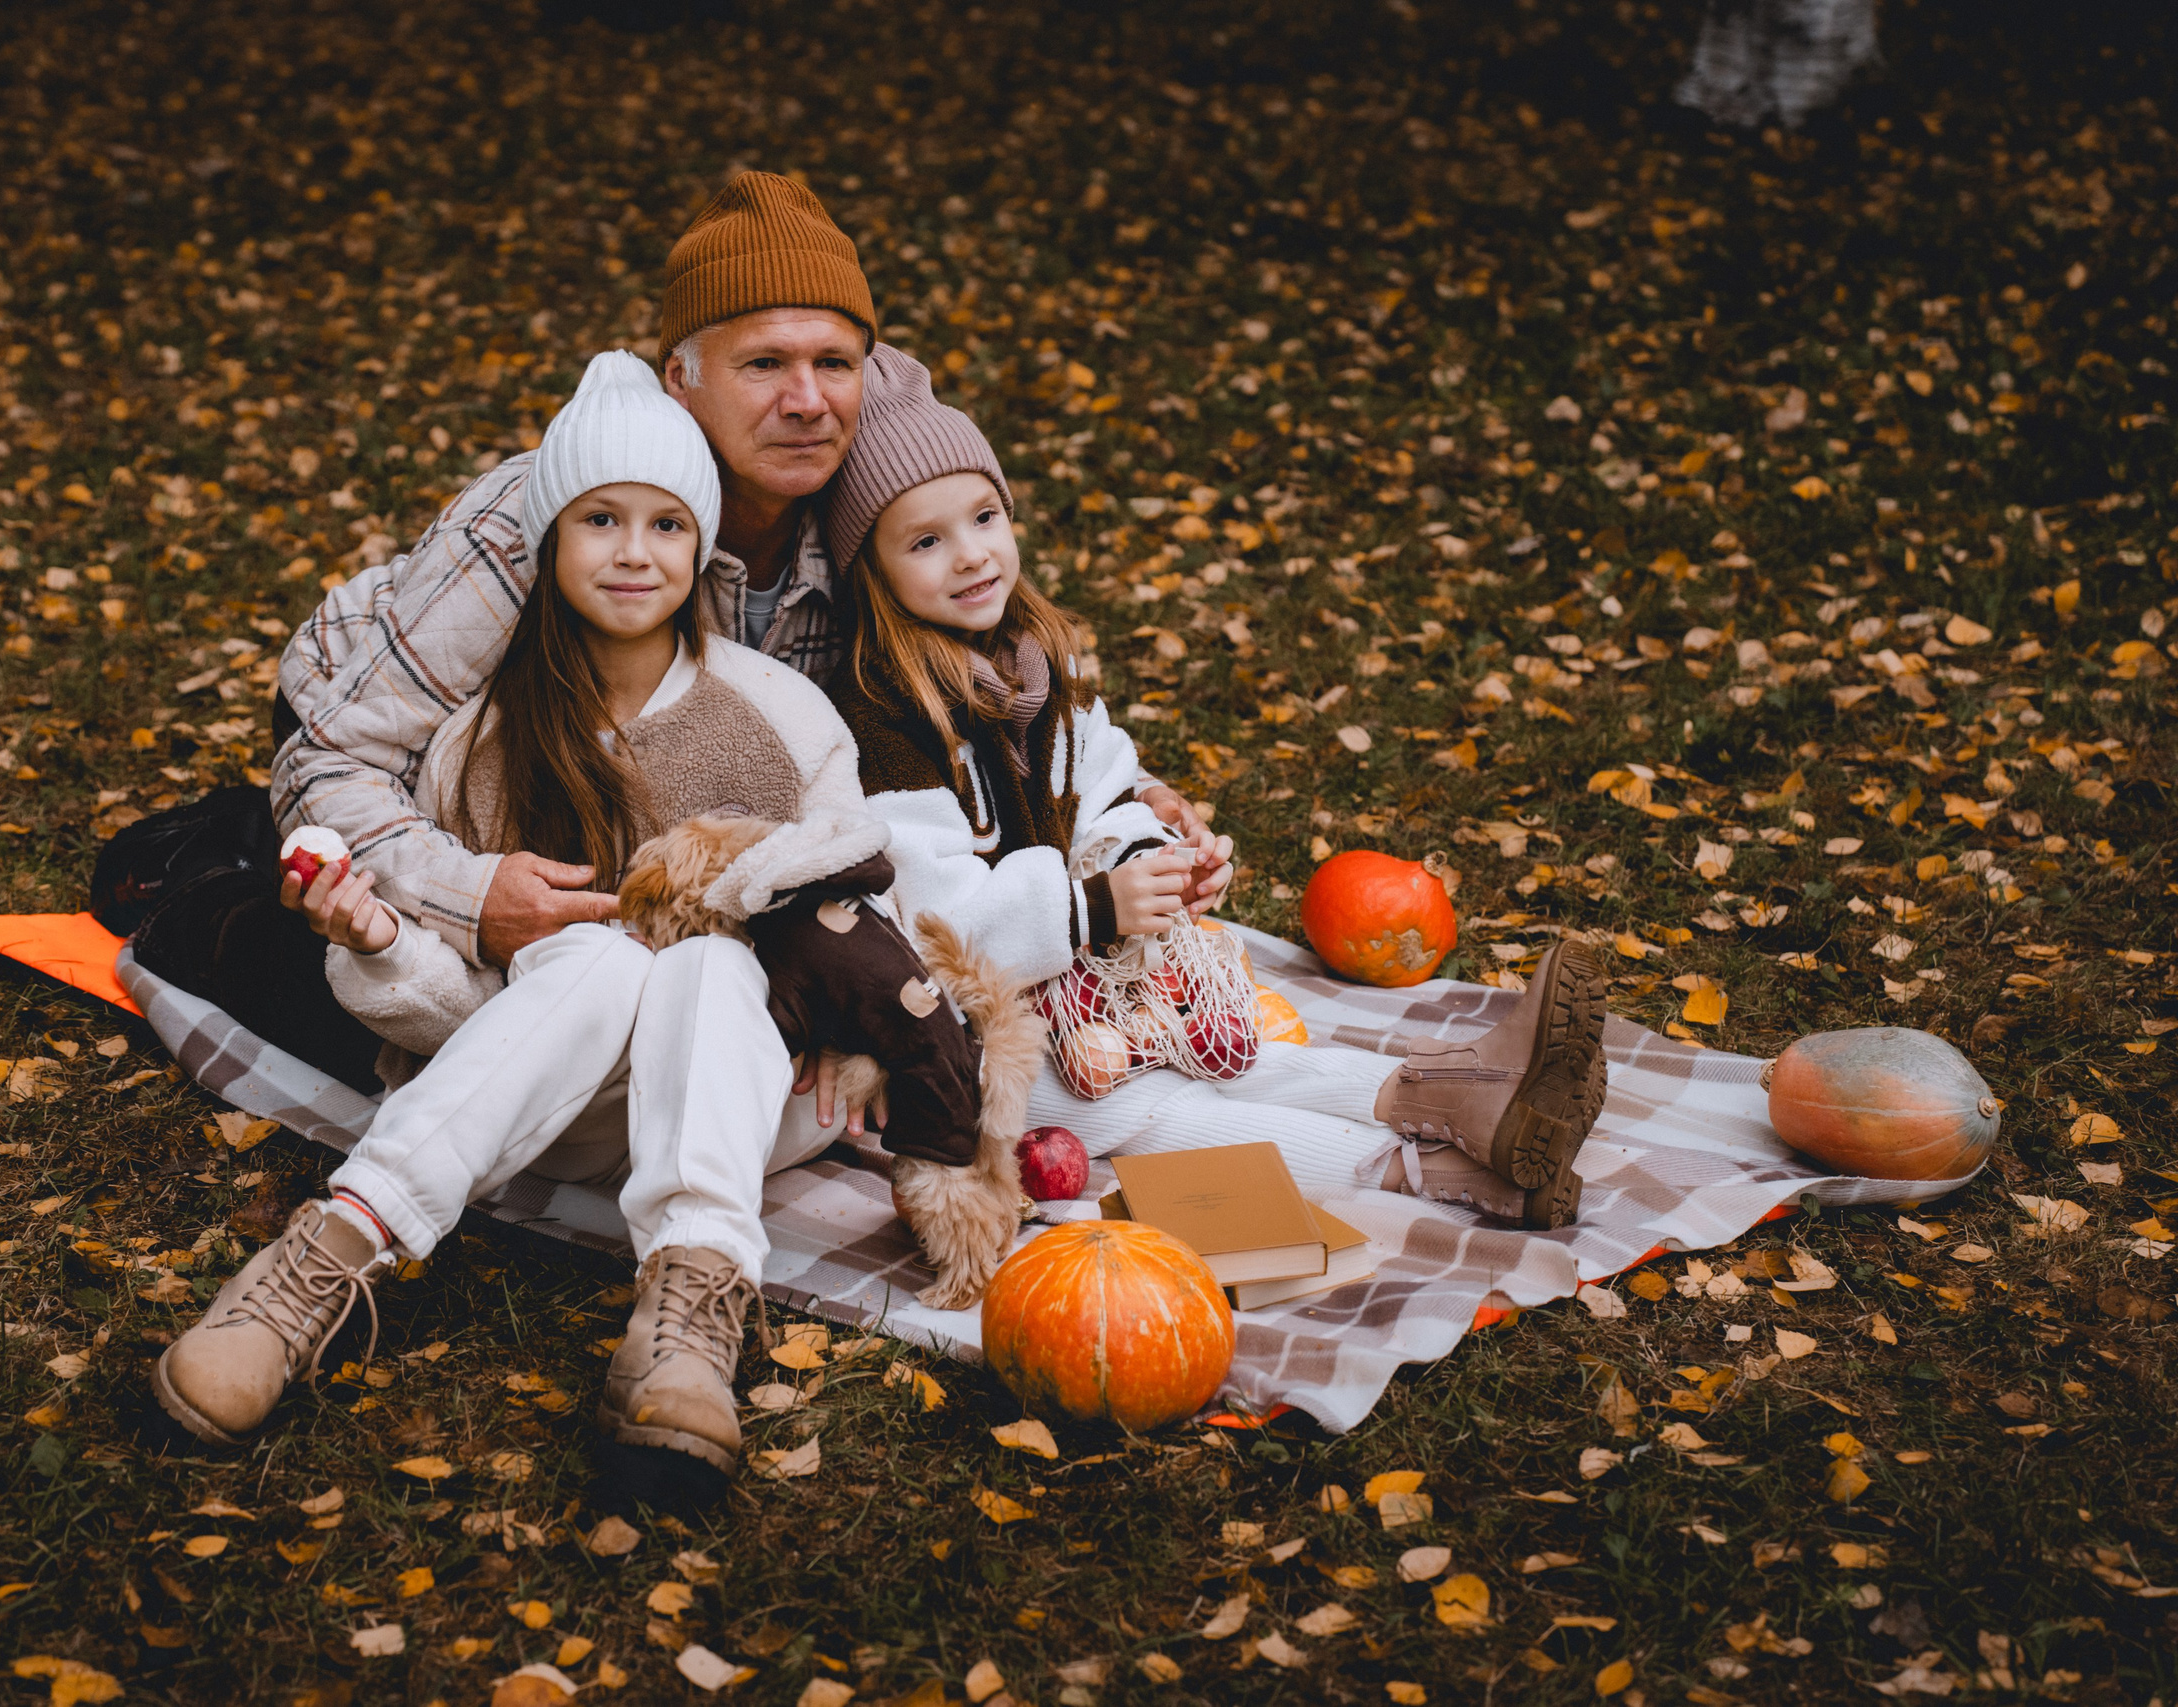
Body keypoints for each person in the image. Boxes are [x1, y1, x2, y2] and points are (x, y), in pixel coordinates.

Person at [269, 170, 1220, 1054]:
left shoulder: (865, 512)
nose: (808, 402)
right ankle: (210, 888)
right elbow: (329, 759)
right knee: (353, 994)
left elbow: (963, 693)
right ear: (680, 378)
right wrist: (468, 896)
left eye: (835, 363)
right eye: (764, 363)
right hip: (398, 726)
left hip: (648, 776)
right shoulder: (556, 522)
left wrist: (1107, 811)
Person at [155, 352, 887, 1497]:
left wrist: (864, 1037)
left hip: (737, 1094)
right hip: (535, 1099)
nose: (634, 552)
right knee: (594, 957)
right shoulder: (482, 741)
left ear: (702, 549)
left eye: (664, 523)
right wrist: (382, 944)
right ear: (546, 547)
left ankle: (689, 1313)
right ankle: (329, 1256)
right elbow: (459, 1009)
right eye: (599, 519)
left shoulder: (782, 721)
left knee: (702, 963)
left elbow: (855, 914)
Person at [823, 346, 1605, 1228]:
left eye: (985, 517)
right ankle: (1429, 1174)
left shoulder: (1034, 655)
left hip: (1078, 987)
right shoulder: (881, 715)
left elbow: (1106, 789)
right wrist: (1093, 908)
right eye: (927, 541)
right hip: (964, 1034)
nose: (971, 556)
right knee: (1136, 1106)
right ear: (874, 570)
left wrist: (1157, 861)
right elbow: (932, 916)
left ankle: (1464, 1098)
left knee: (1225, 1047)